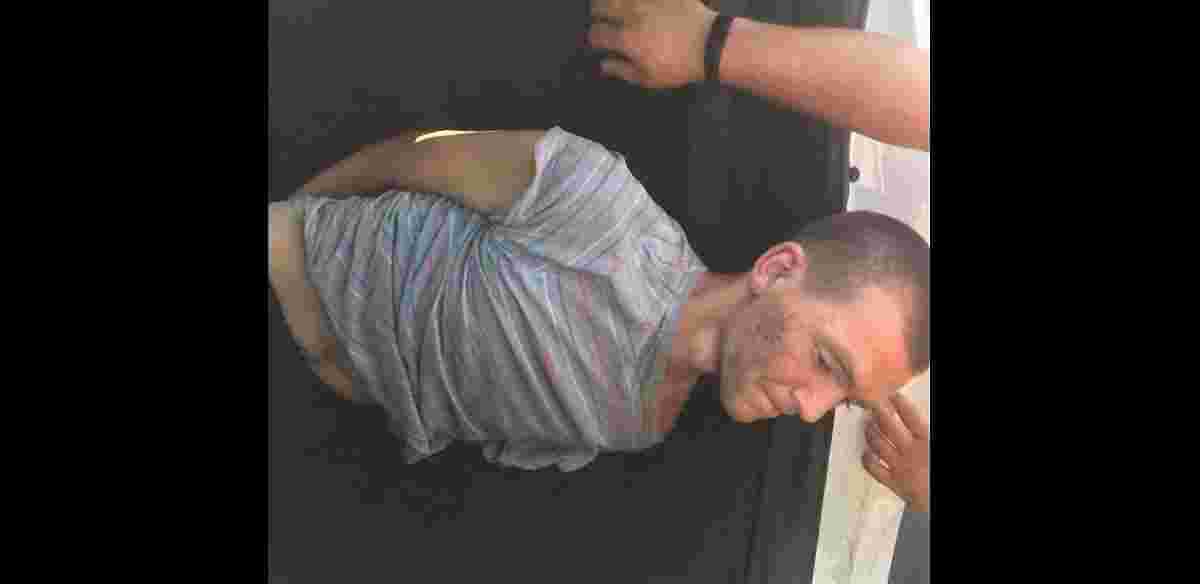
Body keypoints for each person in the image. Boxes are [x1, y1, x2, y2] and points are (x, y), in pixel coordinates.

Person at [267, 1, 930, 511]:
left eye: (842, 400)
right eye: (827, 363)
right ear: (777, 269)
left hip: (321, 417)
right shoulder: (600, 209)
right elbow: (421, 156)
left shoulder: (642, 424)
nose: (811, 411)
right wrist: (294, 215)